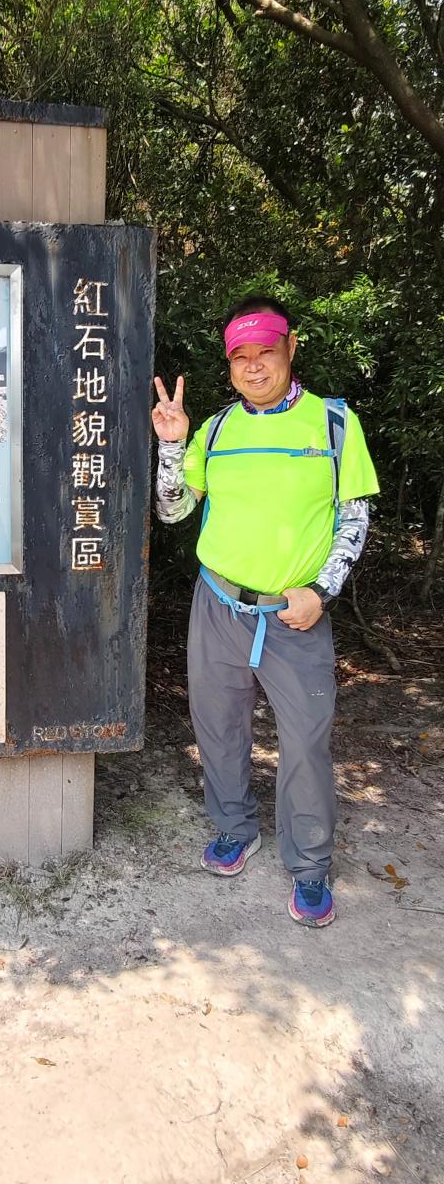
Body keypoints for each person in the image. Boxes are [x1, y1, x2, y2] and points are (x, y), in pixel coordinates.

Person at [152, 295, 379, 927]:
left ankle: (309, 863)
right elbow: (174, 511)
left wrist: (322, 591)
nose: (254, 366)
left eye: (266, 352)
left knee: (306, 741)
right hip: (219, 603)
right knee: (218, 726)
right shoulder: (217, 429)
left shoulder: (333, 424)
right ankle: (235, 827)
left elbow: (354, 518)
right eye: (240, 357)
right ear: (229, 364)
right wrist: (171, 445)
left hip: (295, 614)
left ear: (291, 349)